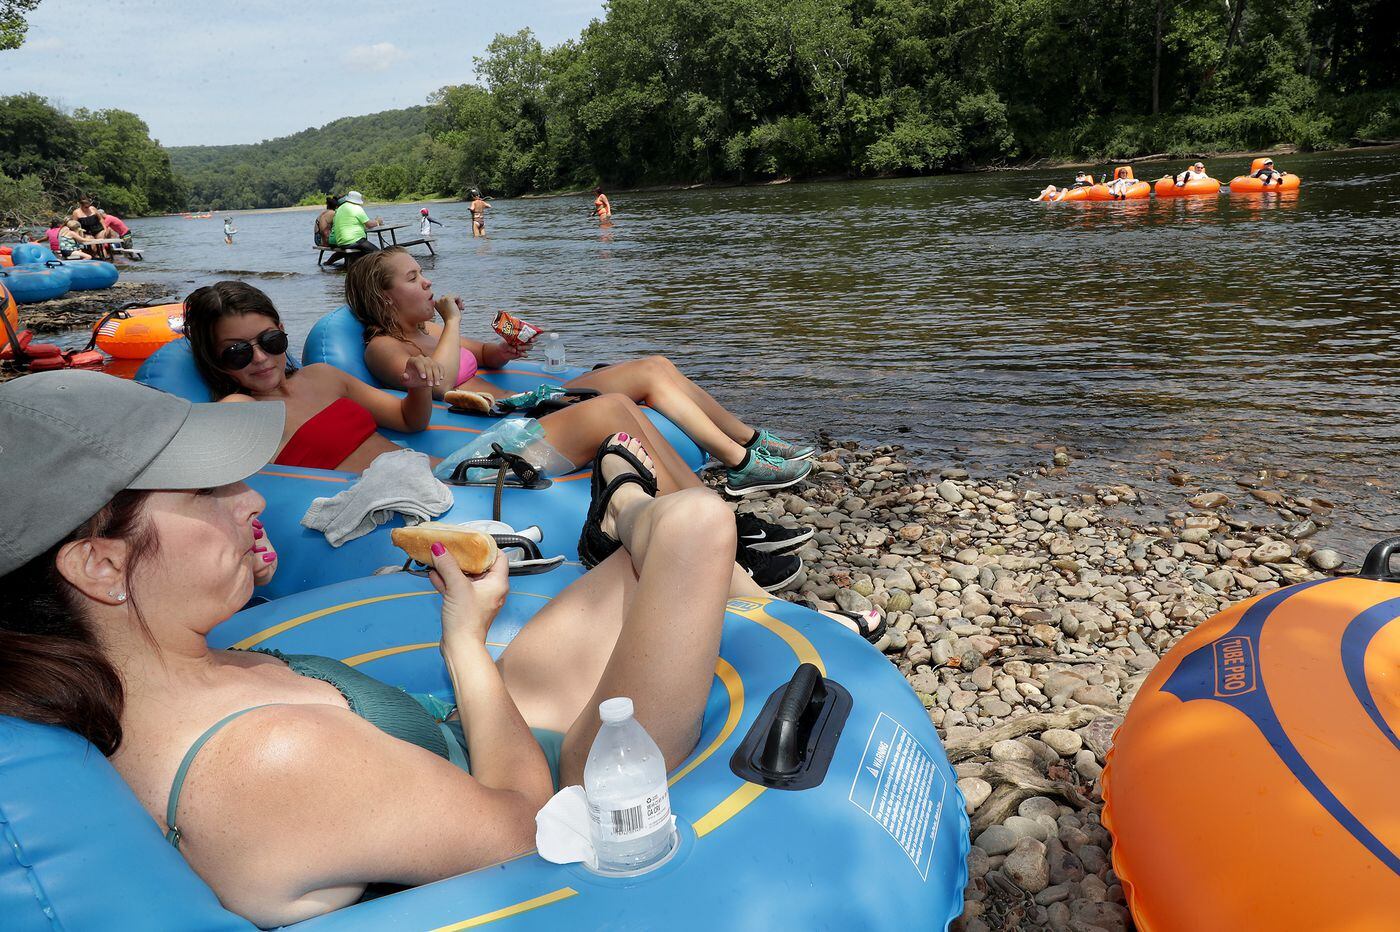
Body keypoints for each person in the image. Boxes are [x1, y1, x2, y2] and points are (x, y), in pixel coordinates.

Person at [0, 369, 749, 927]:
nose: (254, 498)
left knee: (665, 544)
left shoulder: (156, 678)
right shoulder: (262, 760)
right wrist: (464, 645)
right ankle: (629, 509)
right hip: (567, 788)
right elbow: (533, 825)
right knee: (696, 525)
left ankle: (628, 516)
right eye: (205, 493)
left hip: (483, 737)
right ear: (100, 566)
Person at [185, 279, 823, 597]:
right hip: (423, 494)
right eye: (238, 351)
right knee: (610, 411)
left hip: (445, 469)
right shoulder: (234, 416)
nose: (261, 358)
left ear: (280, 333)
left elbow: (408, 421)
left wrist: (416, 385)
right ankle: (721, 531)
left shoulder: (323, 377)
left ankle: (715, 524)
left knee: (618, 403)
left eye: (269, 340)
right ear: (216, 360)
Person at [345, 248, 818, 502]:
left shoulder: (428, 329)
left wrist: (509, 348)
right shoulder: (386, 348)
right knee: (648, 378)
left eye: (421, 272)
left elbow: (484, 357)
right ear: (384, 297)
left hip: (529, 396)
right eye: (411, 278)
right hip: (513, 417)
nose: (426, 280)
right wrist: (452, 322)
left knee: (657, 365)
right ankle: (740, 466)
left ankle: (753, 441)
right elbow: (442, 381)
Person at [332, 191, 383, 256]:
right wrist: (377, 222)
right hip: (354, 241)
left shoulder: (340, 208)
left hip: (341, 243)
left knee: (365, 251)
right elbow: (369, 225)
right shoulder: (357, 208)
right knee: (379, 254)